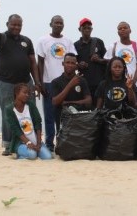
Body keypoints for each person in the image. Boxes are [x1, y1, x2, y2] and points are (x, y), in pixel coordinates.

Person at [0, 0, 40, 156]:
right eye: (13, 24)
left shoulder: (26, 41)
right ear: (7, 24)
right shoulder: (1, 38)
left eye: (19, 25)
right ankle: (9, 145)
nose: (16, 27)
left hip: (26, 82)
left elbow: (33, 63)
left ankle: (33, 141)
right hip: (6, 83)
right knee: (8, 113)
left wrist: (37, 83)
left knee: (30, 112)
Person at [37, 15, 76, 152]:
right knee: (49, 115)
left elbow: (72, 61)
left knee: (65, 115)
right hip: (48, 83)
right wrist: (40, 82)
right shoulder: (43, 40)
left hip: (65, 83)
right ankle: (49, 144)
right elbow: (40, 62)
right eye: (56, 23)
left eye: (61, 23)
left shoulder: (68, 41)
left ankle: (64, 141)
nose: (59, 25)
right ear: (51, 24)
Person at [6, 83, 52, 160]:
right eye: (24, 92)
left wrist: (38, 143)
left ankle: (25, 155)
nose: (27, 95)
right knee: (32, 154)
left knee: (48, 157)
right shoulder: (9, 109)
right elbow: (15, 129)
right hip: (21, 143)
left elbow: (38, 123)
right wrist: (28, 143)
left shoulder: (31, 105)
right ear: (17, 93)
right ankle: (20, 155)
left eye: (28, 93)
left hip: (36, 141)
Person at [104, 22, 137, 100]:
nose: (122, 29)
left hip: (136, 84)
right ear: (118, 32)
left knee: (135, 108)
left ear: (130, 30)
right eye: (120, 29)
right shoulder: (113, 46)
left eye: (125, 28)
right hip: (119, 85)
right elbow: (109, 65)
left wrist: (132, 82)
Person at [74, 17, 107, 107]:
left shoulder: (99, 42)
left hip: (99, 83)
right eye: (84, 27)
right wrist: (79, 65)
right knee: (87, 110)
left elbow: (108, 61)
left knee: (99, 109)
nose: (87, 29)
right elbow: (72, 64)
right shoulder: (76, 45)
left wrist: (99, 60)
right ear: (79, 29)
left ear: (92, 29)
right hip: (84, 84)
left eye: (89, 27)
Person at [51, 53, 92, 125]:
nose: (70, 65)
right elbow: (55, 102)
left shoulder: (82, 80)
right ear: (63, 64)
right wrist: (70, 85)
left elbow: (89, 101)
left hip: (80, 121)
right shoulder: (55, 82)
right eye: (67, 62)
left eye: (72, 63)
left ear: (76, 65)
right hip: (63, 122)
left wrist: (68, 103)